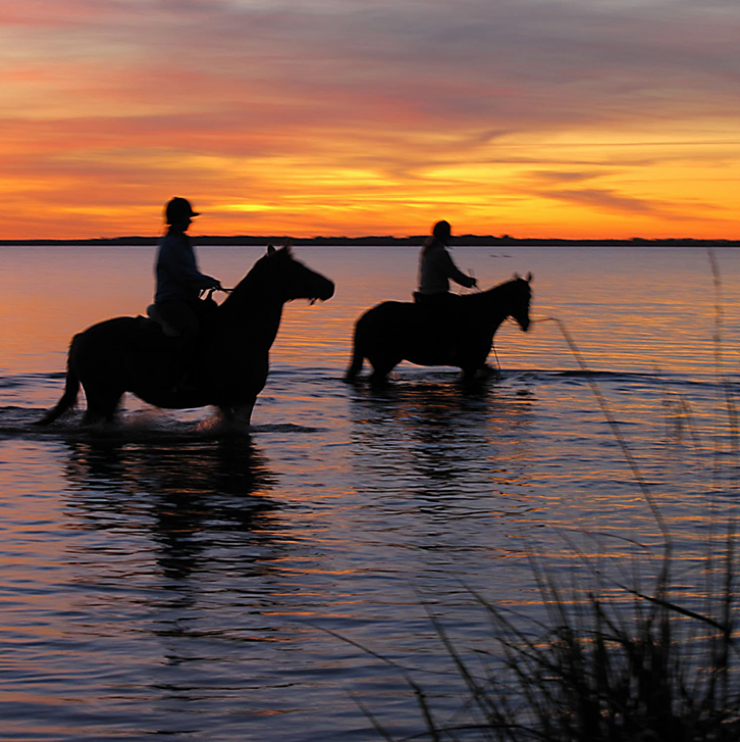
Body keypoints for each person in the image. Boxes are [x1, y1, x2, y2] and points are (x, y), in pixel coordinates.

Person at [152, 197, 221, 339]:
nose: (190, 221)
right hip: (172, 301)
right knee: (191, 330)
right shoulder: (172, 244)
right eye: (187, 217)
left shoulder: (182, 242)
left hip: (185, 300)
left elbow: (189, 274)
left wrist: (204, 281)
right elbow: (183, 275)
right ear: (179, 218)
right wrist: (207, 282)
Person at [415, 220, 477, 305]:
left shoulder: (428, 250)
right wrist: (468, 282)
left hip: (425, 292)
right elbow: (452, 272)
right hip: (436, 294)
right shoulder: (439, 252)